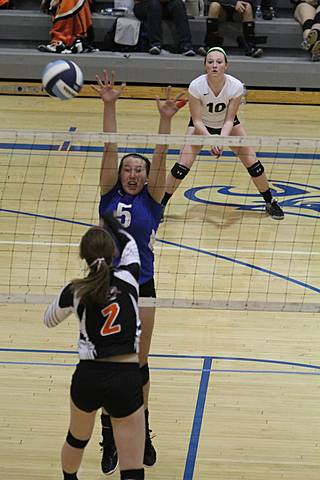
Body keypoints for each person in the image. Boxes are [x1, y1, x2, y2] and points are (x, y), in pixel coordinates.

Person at [91, 70, 186, 475]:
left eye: (138, 170)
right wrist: (109, 104)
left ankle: (140, 431)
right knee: (108, 366)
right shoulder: (108, 192)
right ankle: (111, 435)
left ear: (147, 177)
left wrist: (166, 119)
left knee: (138, 365)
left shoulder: (154, 201)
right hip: (106, 286)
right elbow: (110, 147)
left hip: (142, 287)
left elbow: (161, 155)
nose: (131, 173)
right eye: (127, 168)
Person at [43, 212, 146, 480]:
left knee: (77, 440)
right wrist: (110, 221)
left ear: (84, 258)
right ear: (113, 252)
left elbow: (48, 320)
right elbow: (132, 245)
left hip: (88, 376)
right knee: (132, 468)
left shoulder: (76, 290)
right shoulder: (130, 278)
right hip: (125, 377)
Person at [161, 47, 285, 221]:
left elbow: (229, 120)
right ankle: (159, 205)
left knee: (254, 165)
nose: (214, 65)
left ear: (226, 65)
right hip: (201, 126)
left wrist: (220, 139)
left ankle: (270, 201)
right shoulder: (196, 86)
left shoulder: (235, 86)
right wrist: (212, 140)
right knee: (181, 167)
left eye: (219, 62)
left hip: (229, 126)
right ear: (205, 65)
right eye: (210, 62)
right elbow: (196, 121)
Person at [198, 0, 266, 57]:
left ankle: (251, 46)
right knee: (214, 6)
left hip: (239, 12)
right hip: (222, 10)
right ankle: (210, 45)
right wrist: (233, 2)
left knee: (247, 6)